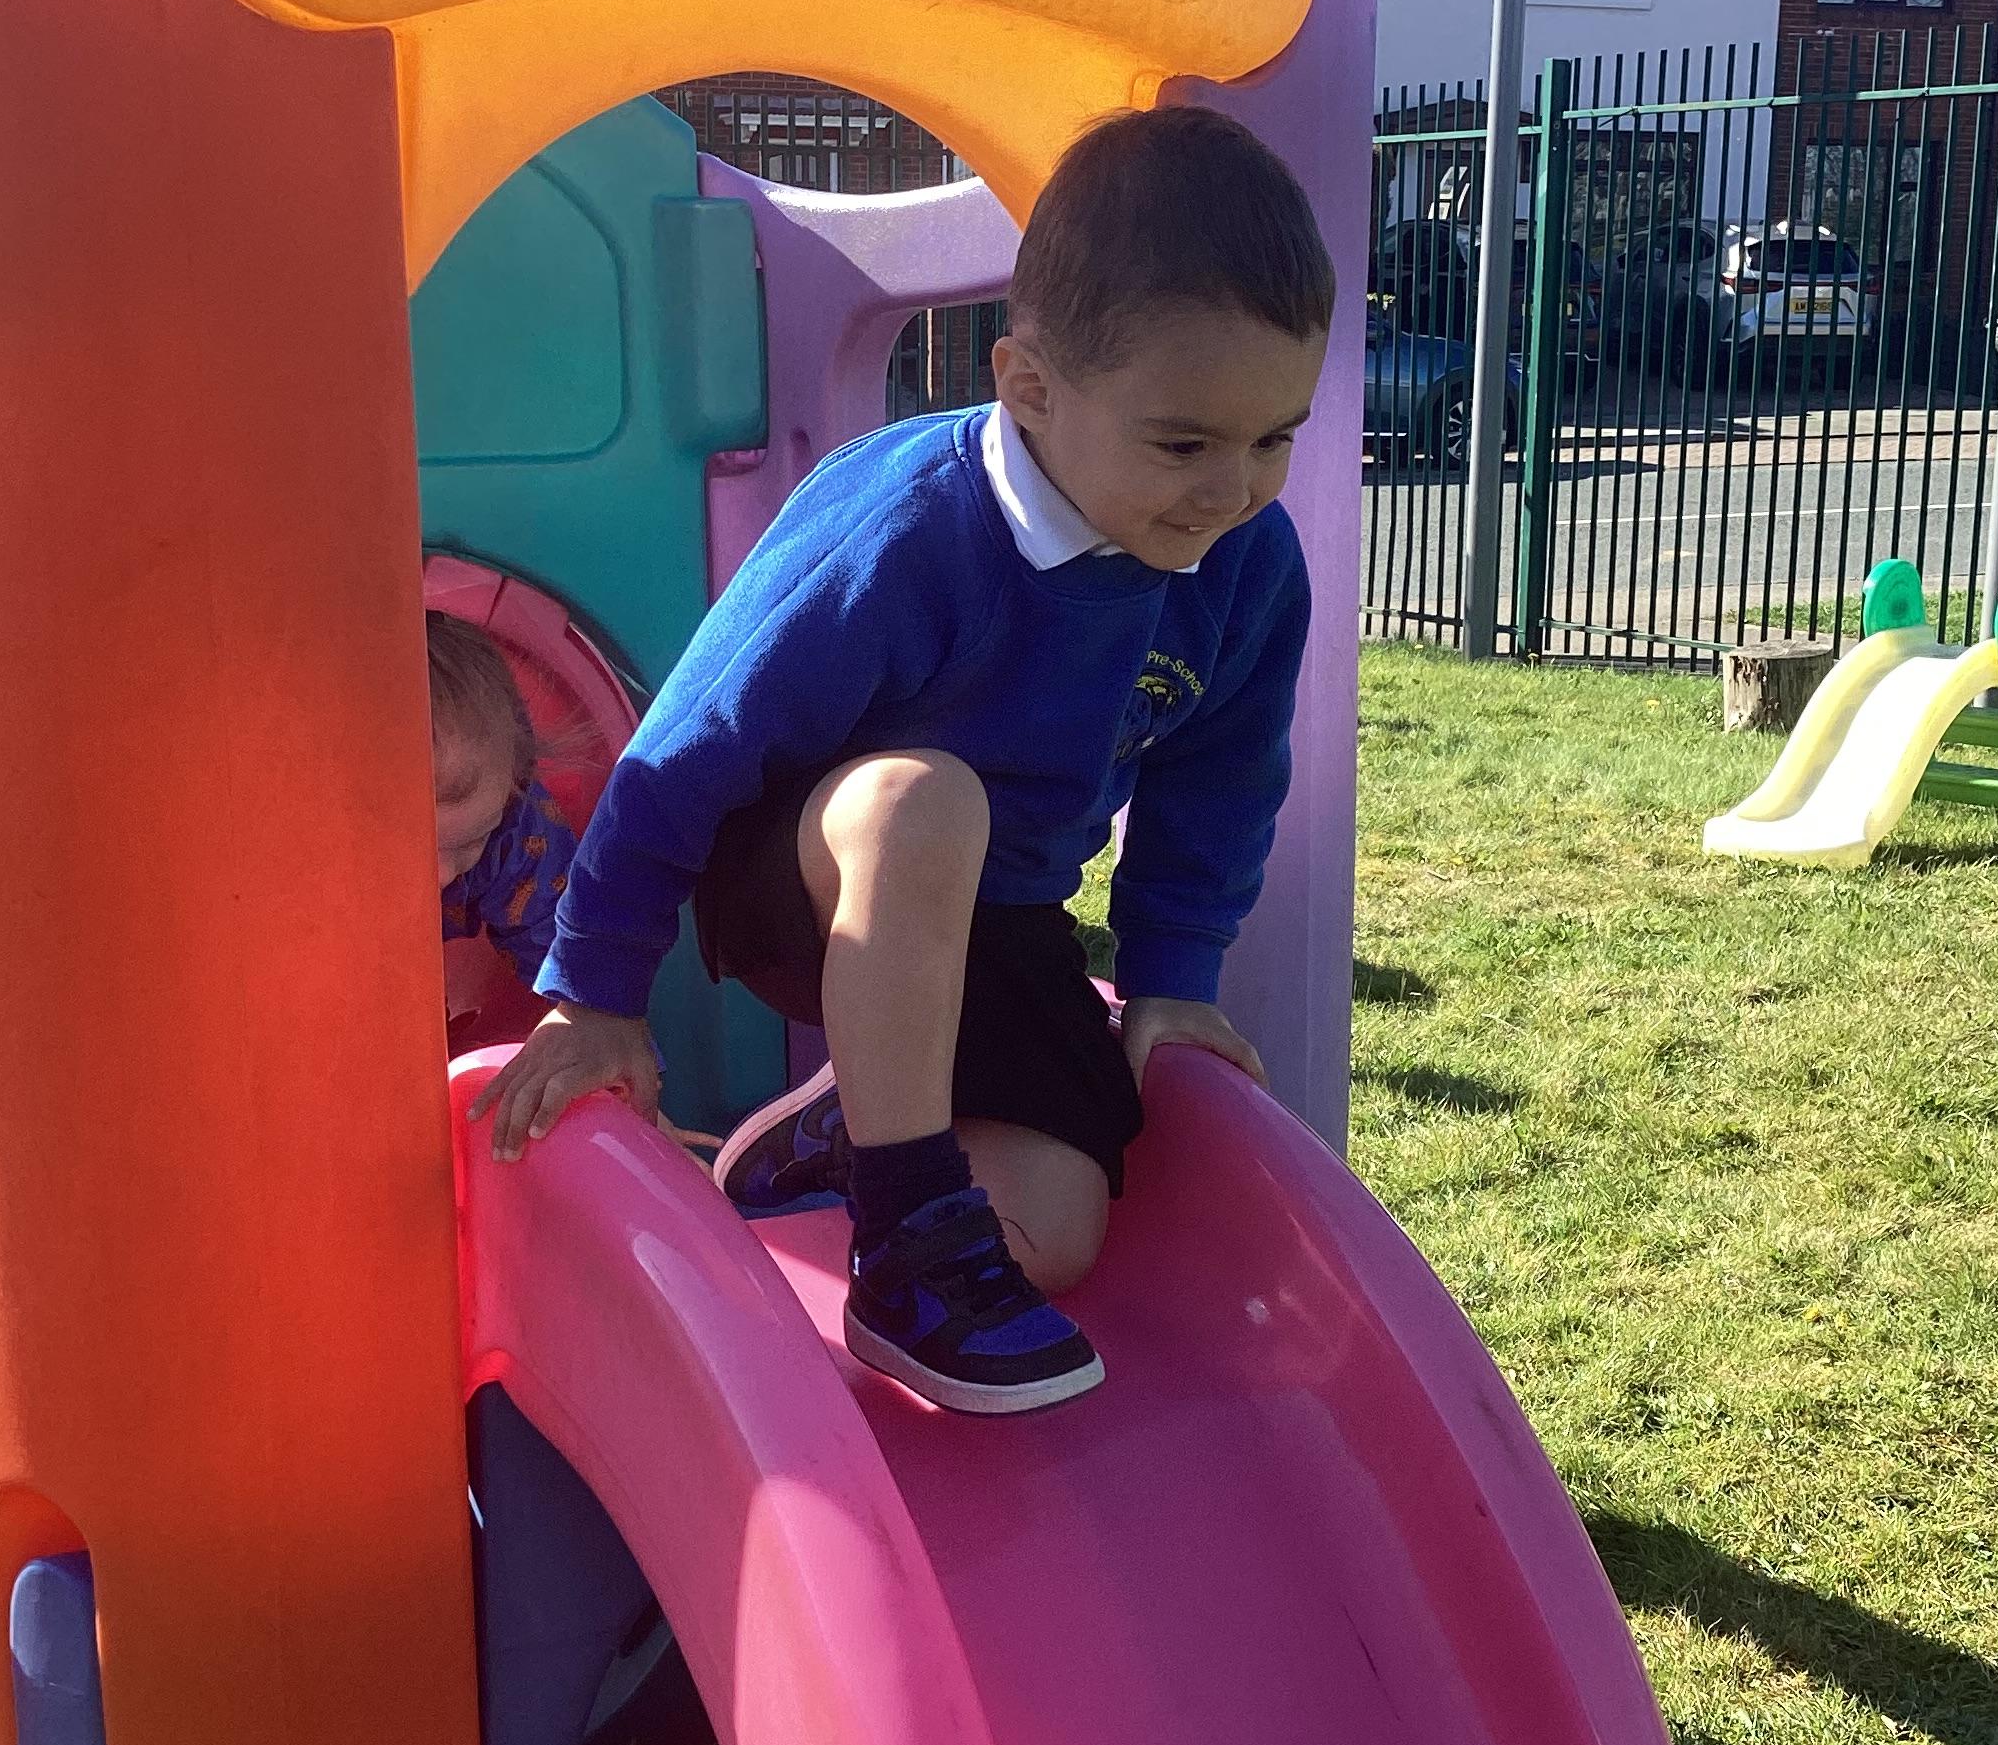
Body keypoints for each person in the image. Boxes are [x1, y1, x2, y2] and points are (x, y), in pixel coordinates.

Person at [473, 106, 1333, 1416]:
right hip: (800, 865)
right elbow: (686, 747)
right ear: (1029, 388)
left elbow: (1218, 783)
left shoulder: (1243, 568)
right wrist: (596, 993)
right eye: (1184, 444)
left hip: (994, 911)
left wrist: (1172, 977)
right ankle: (909, 1253)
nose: (1235, 489)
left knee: (1057, 1229)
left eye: (1275, 437)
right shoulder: (909, 529)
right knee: (924, 800)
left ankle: (848, 1136)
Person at [430, 610, 576, 983]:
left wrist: (576, 1003)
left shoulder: (516, 827)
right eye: (418, 852)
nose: (443, 875)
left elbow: (560, 939)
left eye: (471, 841)